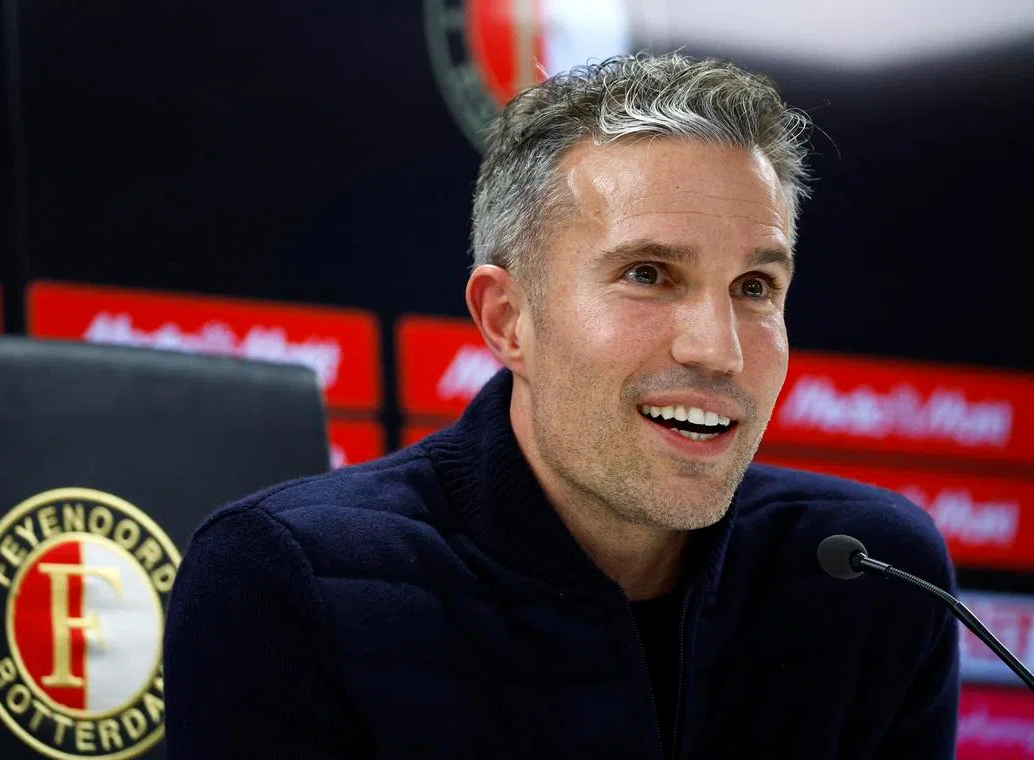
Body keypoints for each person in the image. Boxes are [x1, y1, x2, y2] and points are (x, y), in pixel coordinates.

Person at [163, 53, 959, 758]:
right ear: (508, 320)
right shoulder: (287, 580)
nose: (718, 351)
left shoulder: (874, 577)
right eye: (648, 275)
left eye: (755, 287)